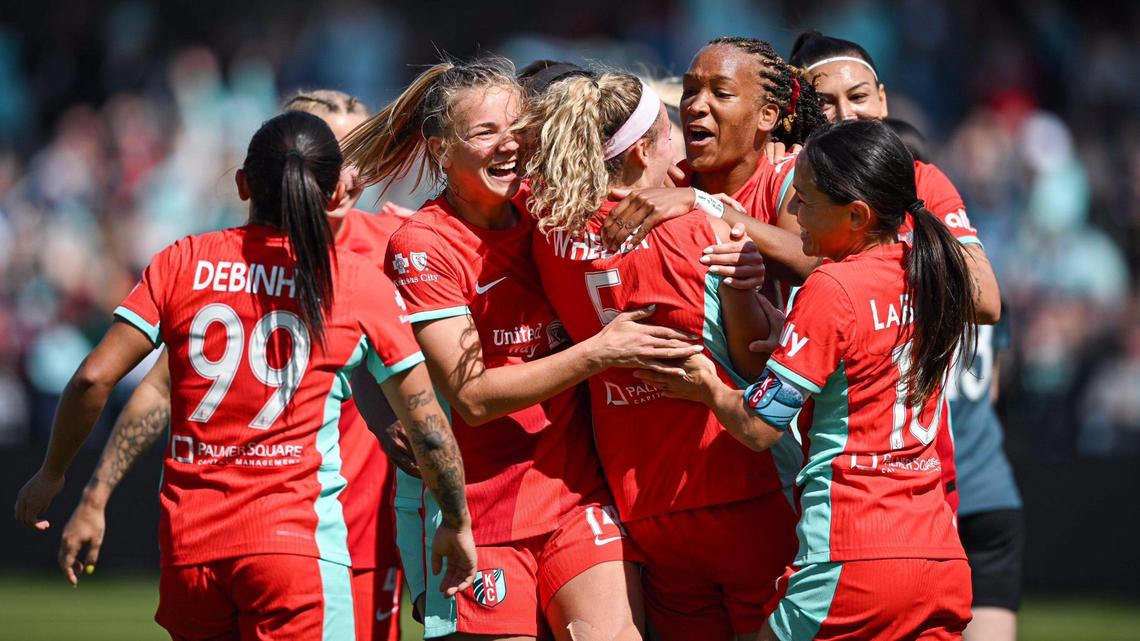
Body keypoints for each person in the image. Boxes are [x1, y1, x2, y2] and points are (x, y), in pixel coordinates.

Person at [15, 110, 476, 640]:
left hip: (190, 555)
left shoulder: (181, 262)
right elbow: (429, 430)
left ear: (242, 184)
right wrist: (457, 524)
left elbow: (91, 380)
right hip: (295, 552)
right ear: (333, 193)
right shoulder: (353, 282)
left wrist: (55, 475)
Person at [342, 57, 695, 641]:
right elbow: (474, 397)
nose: (509, 146)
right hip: (483, 510)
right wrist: (597, 352)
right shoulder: (425, 244)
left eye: (517, 129)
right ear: (440, 150)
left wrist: (685, 201)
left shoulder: (550, 206)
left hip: (578, 495)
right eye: (484, 132)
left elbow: (647, 178)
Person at [639, 119, 976, 640]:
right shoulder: (928, 269)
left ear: (857, 215)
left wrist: (706, 383)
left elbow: (759, 428)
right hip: (938, 554)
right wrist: (791, 343)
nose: (793, 213)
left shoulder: (832, 285)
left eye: (806, 200)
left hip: (854, 551)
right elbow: (869, 361)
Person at [518, 68, 804, 641]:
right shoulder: (700, 228)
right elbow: (752, 361)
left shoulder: (547, 231)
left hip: (643, 502)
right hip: (736, 483)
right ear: (648, 145)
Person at [791, 35, 1019, 639]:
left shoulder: (921, 182)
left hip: (886, 496)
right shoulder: (783, 180)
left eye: (859, 96)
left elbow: (986, 299)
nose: (846, 114)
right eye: (826, 103)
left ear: (884, 98)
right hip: (802, 483)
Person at [598, 36, 828, 300]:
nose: (696, 106)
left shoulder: (791, 176)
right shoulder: (669, 183)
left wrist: (701, 203)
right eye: (690, 91)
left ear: (766, 115)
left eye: (721, 93)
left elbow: (807, 259)